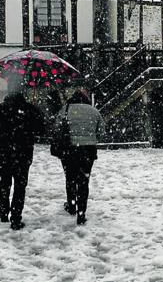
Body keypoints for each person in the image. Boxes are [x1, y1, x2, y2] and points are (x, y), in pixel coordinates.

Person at [0, 93, 44, 230]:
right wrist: (28, 138)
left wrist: (1, 143)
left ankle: (4, 211)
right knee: (20, 185)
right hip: (24, 154)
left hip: (5, 154)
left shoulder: (0, 110)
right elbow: (41, 130)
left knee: (5, 182)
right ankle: (16, 216)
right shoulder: (30, 110)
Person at [54, 89, 105, 225]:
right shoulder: (94, 111)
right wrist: (91, 139)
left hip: (69, 149)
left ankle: (72, 206)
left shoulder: (65, 109)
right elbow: (101, 131)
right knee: (84, 181)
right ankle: (81, 213)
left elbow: (57, 128)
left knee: (70, 178)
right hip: (88, 150)